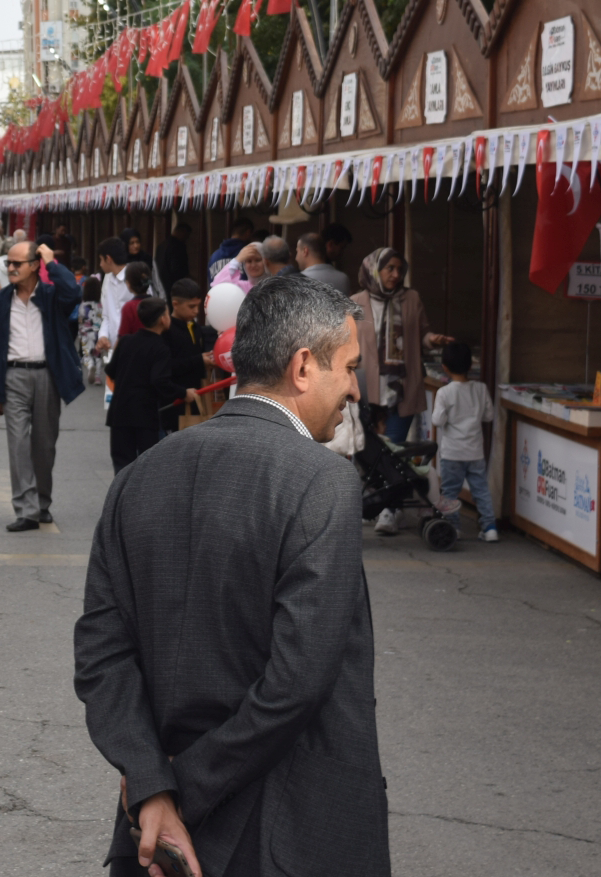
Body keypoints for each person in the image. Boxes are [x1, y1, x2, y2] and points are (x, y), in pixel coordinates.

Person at [77, 273, 385, 877]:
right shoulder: (321, 481)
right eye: (349, 368)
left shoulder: (139, 475)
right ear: (303, 367)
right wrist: (182, 791)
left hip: (156, 833)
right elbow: (297, 680)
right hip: (286, 830)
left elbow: (101, 653)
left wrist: (153, 786)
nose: (354, 388)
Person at [0, 240, 84, 532]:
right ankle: (26, 510)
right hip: (13, 376)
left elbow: (73, 292)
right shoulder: (0, 301)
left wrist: (51, 262)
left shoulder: (52, 296)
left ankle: (42, 504)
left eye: (17, 263)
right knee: (18, 444)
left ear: (34, 265)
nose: (11, 268)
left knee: (44, 445)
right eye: (8, 263)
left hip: (47, 376)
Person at [352, 249, 450, 459]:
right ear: (375, 269)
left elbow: (422, 334)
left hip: (401, 393)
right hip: (367, 394)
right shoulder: (356, 302)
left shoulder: (411, 299)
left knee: (392, 455)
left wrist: (432, 340)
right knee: (368, 456)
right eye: (390, 268)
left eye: (399, 269)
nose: (396, 274)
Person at [104, 297, 189, 472]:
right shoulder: (160, 348)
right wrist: (183, 392)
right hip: (144, 415)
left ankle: (121, 491)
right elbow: (160, 381)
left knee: (122, 466)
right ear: (162, 319)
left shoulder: (126, 341)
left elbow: (111, 370)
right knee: (146, 467)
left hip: (119, 412)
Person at [429, 340, 497, 542]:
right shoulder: (481, 389)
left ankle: (453, 527)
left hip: (452, 452)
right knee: (481, 490)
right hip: (475, 452)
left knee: (450, 492)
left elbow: (437, 421)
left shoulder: (444, 392)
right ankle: (490, 527)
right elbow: (489, 416)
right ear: (471, 365)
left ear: (444, 367)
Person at [162, 278, 216, 401]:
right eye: (191, 306)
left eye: (198, 305)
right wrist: (199, 360)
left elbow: (195, 358)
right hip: (175, 399)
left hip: (197, 395)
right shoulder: (166, 330)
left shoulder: (195, 327)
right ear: (175, 304)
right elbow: (167, 367)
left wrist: (207, 362)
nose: (196, 311)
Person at [94, 237, 138, 358]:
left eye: (101, 259)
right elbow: (107, 315)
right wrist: (103, 336)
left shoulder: (135, 278)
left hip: (134, 349)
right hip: (114, 351)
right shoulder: (109, 280)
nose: (100, 264)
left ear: (108, 259)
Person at [114, 261, 155, 339]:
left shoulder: (129, 307)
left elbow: (123, 337)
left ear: (128, 284)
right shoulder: (159, 305)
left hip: (134, 346)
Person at [154, 221, 192, 293]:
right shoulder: (178, 246)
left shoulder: (161, 246)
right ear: (182, 232)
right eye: (186, 235)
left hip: (161, 285)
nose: (187, 239)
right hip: (174, 286)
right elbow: (176, 269)